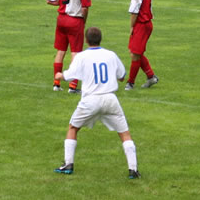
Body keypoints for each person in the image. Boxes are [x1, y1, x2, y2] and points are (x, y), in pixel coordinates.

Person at [53, 26, 141, 179]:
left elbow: (69, 75)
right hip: (110, 99)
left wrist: (60, 75)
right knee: (124, 133)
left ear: (86, 40)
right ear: (100, 39)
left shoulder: (81, 56)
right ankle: (133, 170)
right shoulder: (111, 55)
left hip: (90, 100)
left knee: (73, 127)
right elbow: (122, 76)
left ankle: (68, 164)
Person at [46, 0, 91, 94]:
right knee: (75, 53)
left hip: (61, 19)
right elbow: (85, 6)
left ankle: (56, 83)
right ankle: (72, 85)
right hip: (75, 20)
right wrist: (84, 20)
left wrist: (60, 4)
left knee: (60, 50)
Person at [125, 0, 159, 90]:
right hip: (147, 24)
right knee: (135, 52)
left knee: (135, 54)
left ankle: (130, 83)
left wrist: (132, 26)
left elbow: (134, 11)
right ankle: (151, 77)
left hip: (141, 24)